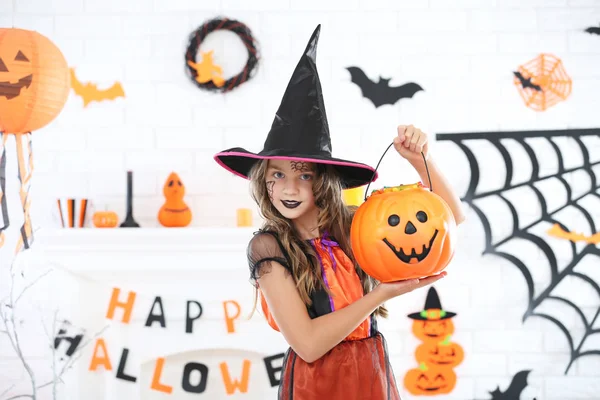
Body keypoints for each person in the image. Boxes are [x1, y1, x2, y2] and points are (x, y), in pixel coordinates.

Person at [214, 24, 466, 400]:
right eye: (277, 175)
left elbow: (449, 218)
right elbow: (309, 344)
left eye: (304, 174)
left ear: (323, 180)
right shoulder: (269, 247)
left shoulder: (353, 226)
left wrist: (421, 160)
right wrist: (380, 295)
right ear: (265, 182)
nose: (289, 188)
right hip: (317, 382)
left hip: (370, 370)